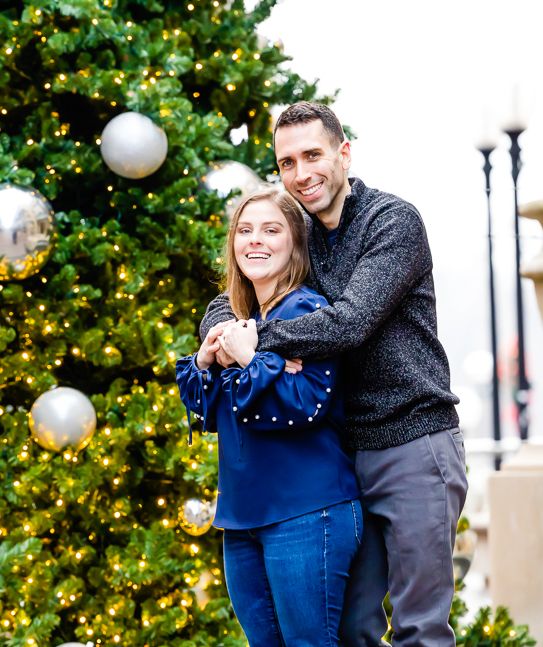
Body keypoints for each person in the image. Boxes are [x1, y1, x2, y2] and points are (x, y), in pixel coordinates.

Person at [199, 102, 467, 647]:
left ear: (344, 154)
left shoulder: (391, 222)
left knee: (420, 628)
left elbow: (350, 323)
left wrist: (254, 343)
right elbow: (234, 293)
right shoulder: (301, 232)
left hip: (412, 444)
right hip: (344, 462)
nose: (301, 174)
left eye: (313, 155)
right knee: (352, 631)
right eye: (287, 162)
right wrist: (228, 328)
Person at [176, 186, 361, 647]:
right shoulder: (237, 321)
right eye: (245, 230)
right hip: (241, 517)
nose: (255, 241)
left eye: (271, 230)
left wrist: (250, 363)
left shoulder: (308, 311)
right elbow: (212, 412)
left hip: (307, 511)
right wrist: (204, 362)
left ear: (295, 242)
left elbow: (305, 404)